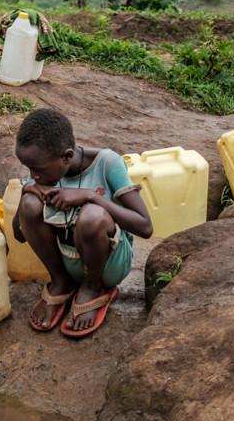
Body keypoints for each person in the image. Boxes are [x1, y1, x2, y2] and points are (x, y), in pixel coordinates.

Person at [12, 108, 152, 338]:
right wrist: (26, 192)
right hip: (66, 261)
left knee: (92, 216)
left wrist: (92, 196)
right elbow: (18, 234)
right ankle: (61, 282)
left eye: (37, 170)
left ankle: (92, 288)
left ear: (66, 156)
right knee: (29, 204)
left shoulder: (107, 163)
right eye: (29, 170)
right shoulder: (42, 171)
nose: (33, 175)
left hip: (107, 264)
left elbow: (145, 227)